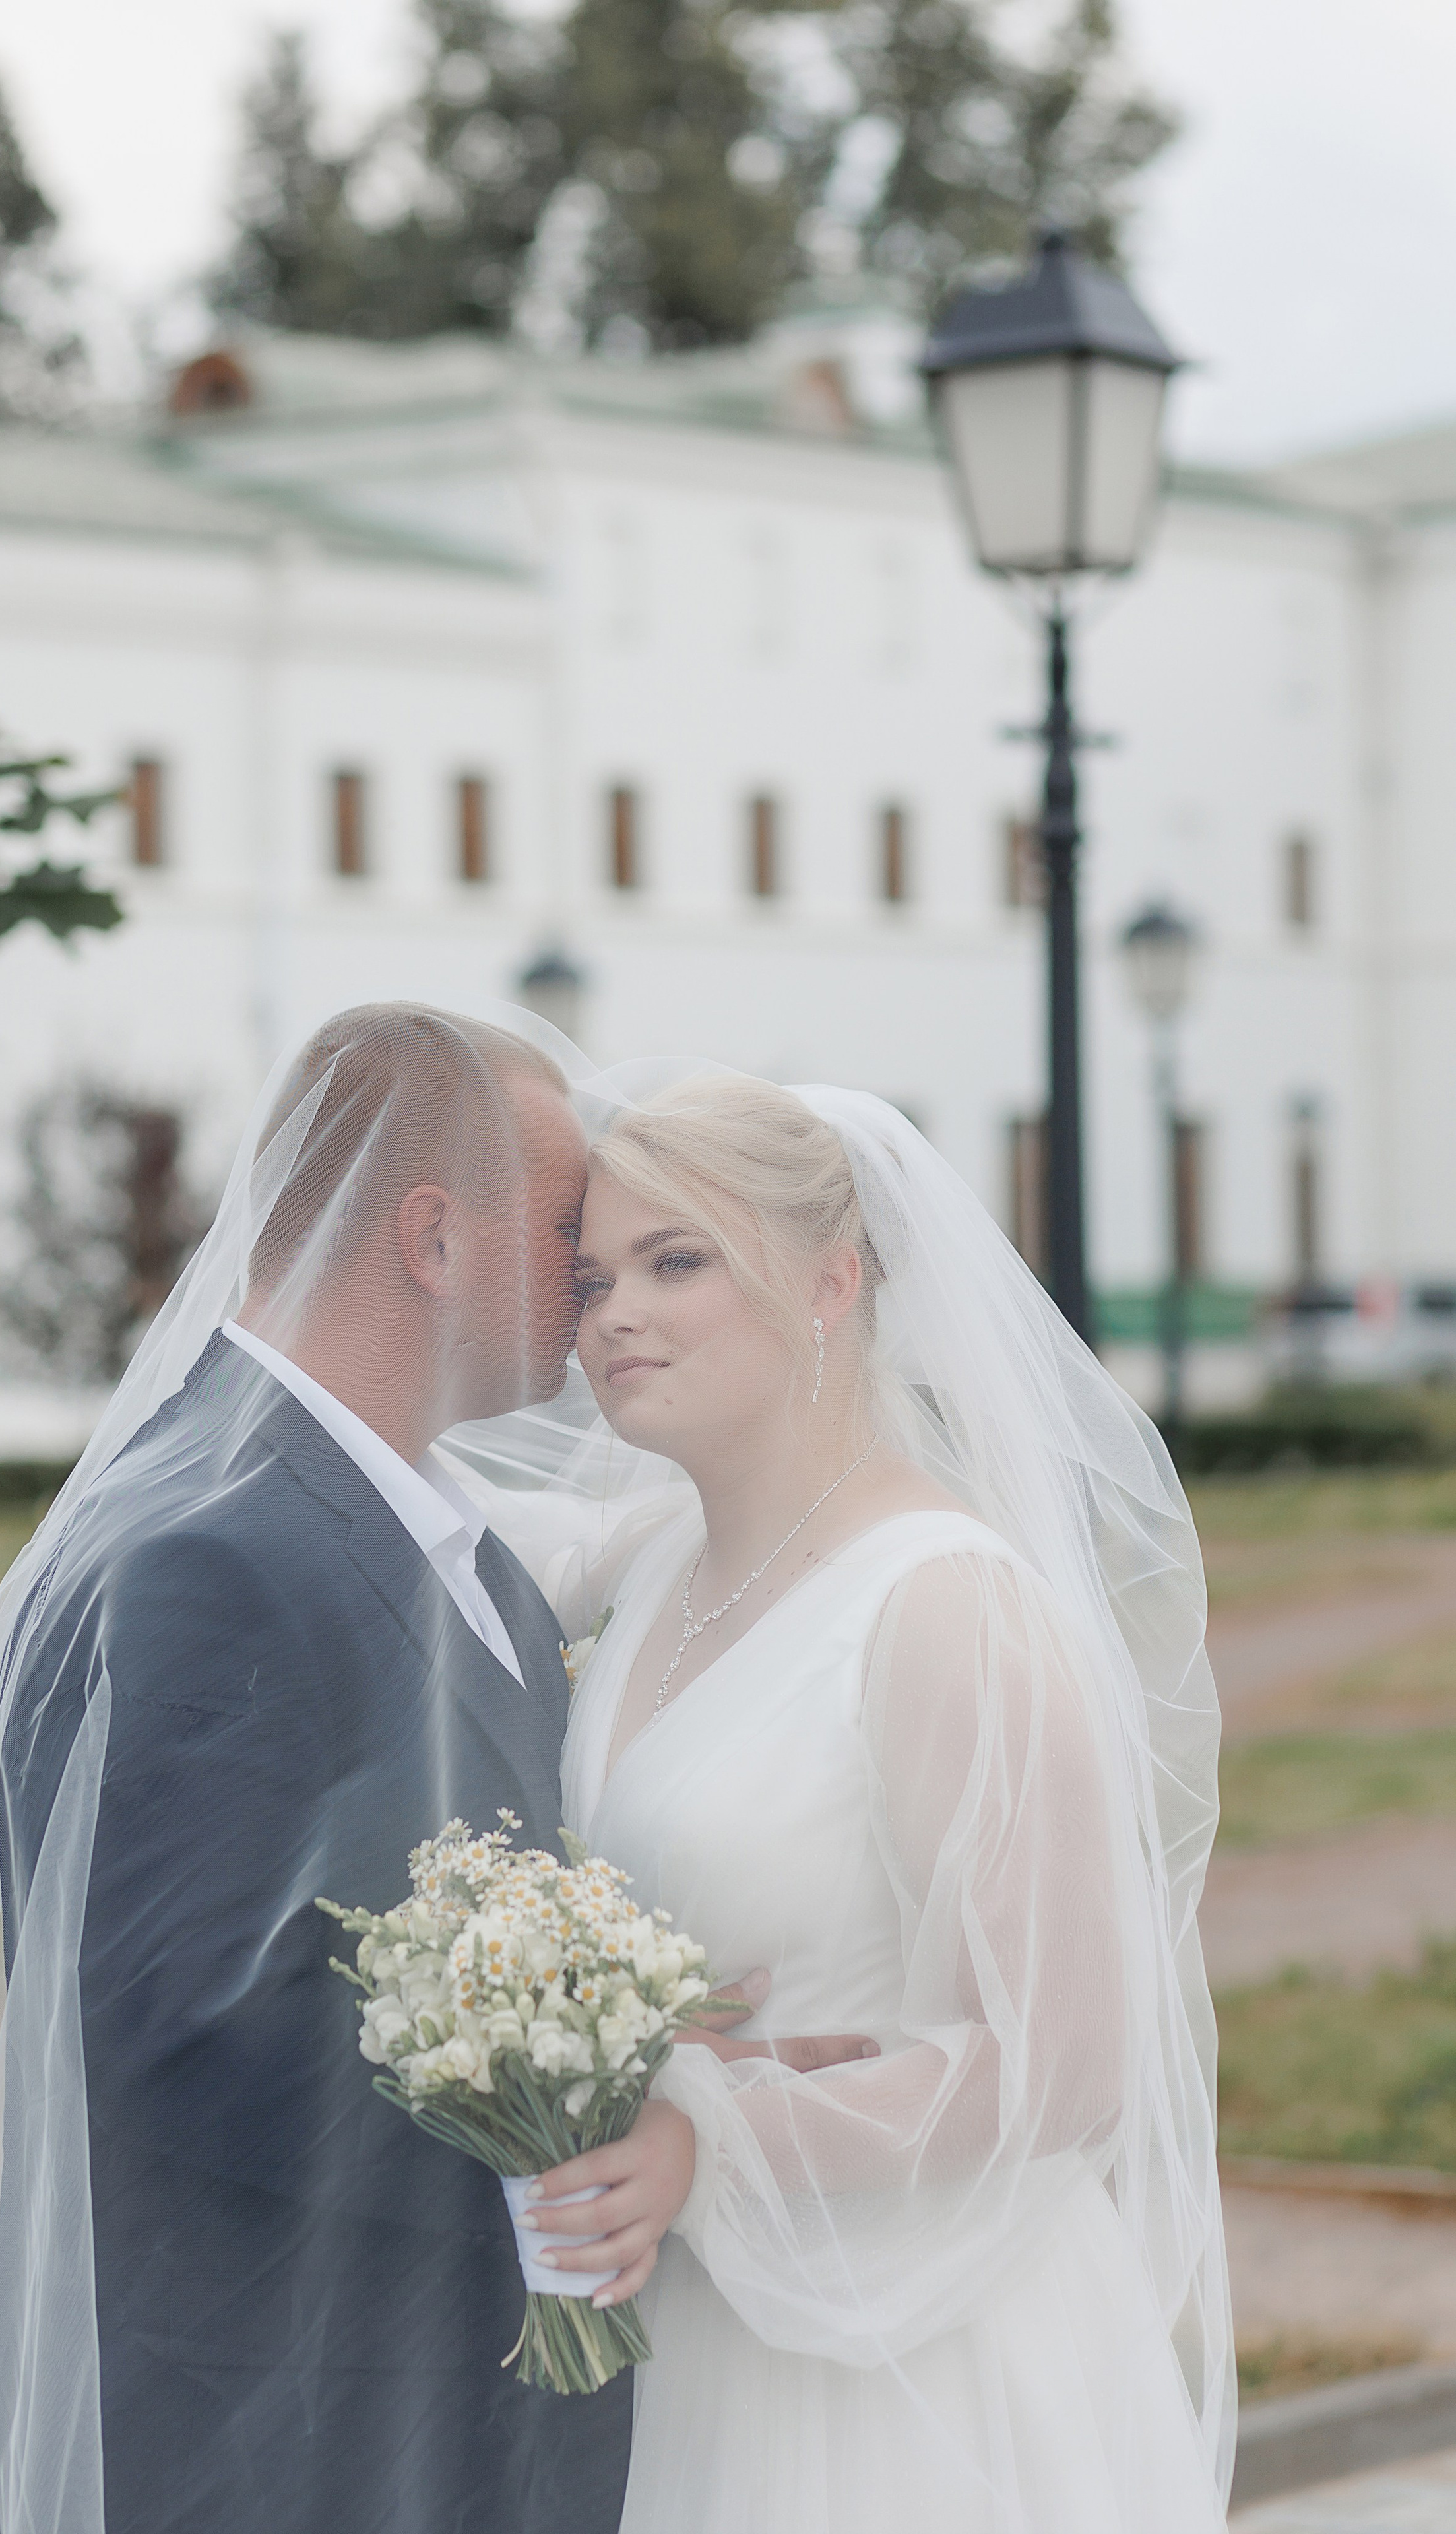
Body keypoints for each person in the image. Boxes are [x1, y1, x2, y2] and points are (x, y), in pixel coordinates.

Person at [0, 1004, 866, 2534]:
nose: (591, 1275)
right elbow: (180, 2035)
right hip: (273, 2447)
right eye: (563, 1229)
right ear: (431, 1238)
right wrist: (616, 2109)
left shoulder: (429, 1527)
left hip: (416, 2416)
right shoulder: (203, 1550)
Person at [504, 1072, 1234, 2533]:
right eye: (591, 1279)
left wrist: (711, 2134)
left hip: (909, 2364)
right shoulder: (651, 1577)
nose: (611, 1319)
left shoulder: (943, 1605)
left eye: (675, 1261)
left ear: (832, 1279)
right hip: (692, 2331)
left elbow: (1064, 2060)